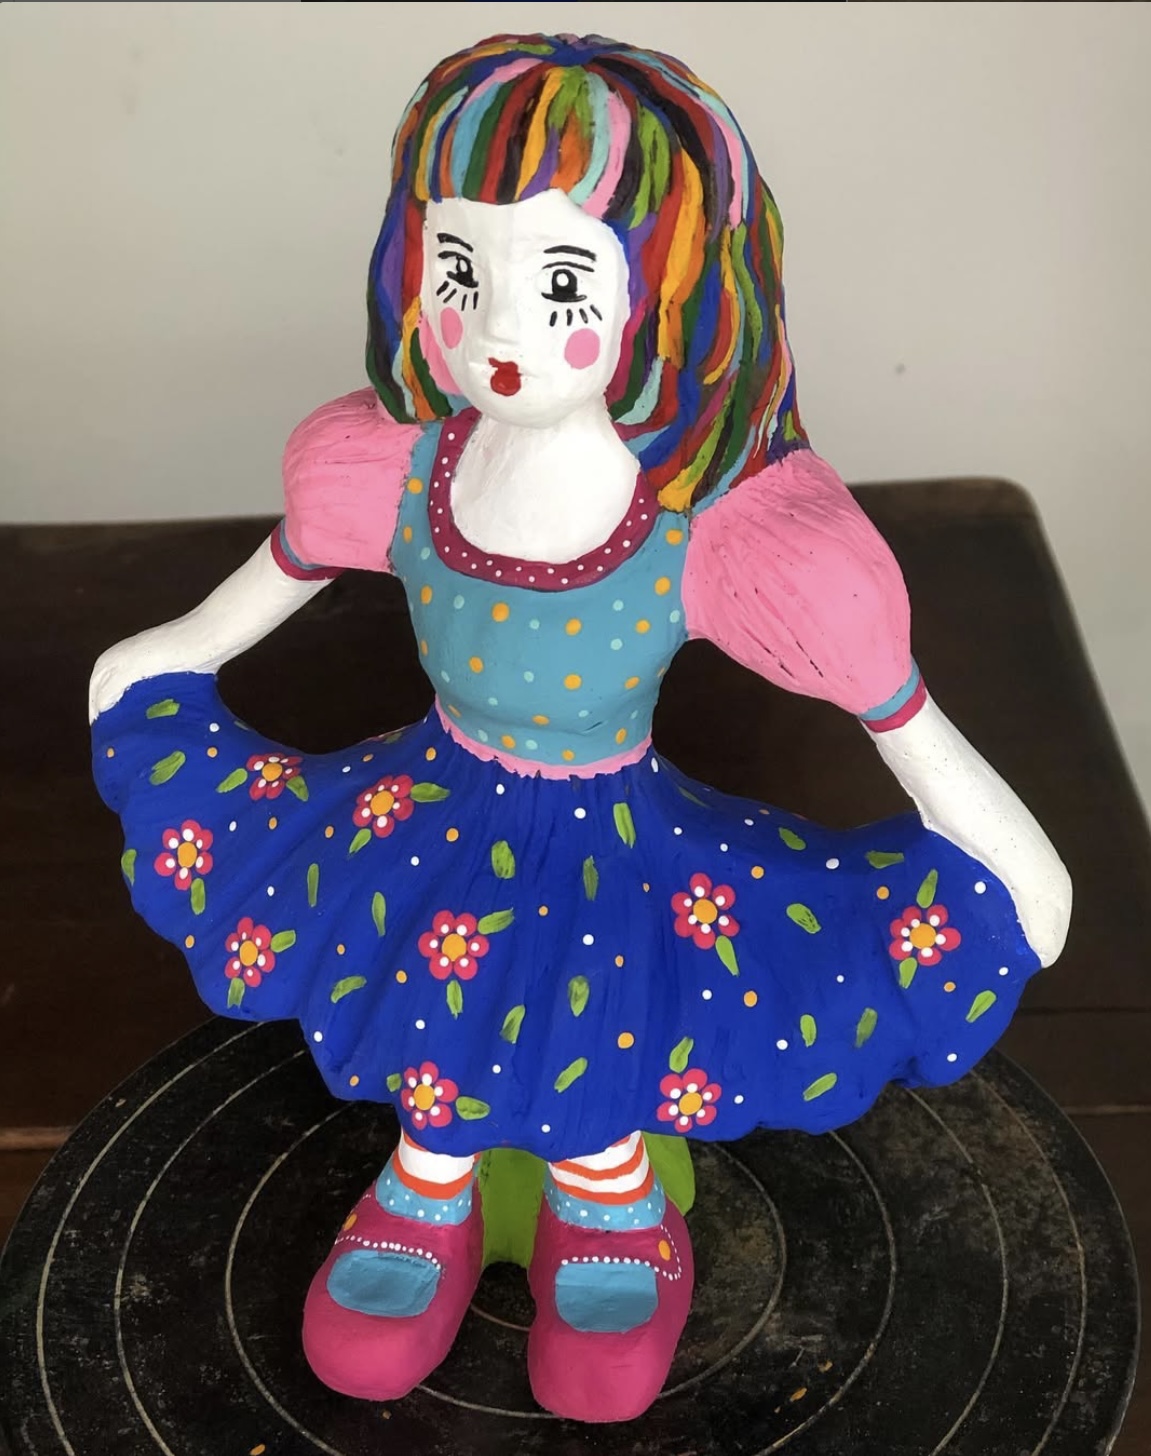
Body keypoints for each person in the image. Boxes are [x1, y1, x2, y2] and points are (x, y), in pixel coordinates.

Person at [89, 33, 1071, 1424]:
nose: (497, 327)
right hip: (428, 807)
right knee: (429, 990)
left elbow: (897, 716)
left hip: (612, 835)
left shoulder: (704, 534)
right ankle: (430, 1171)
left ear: (668, 296)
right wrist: (158, 665)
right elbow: (234, 613)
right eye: (460, 268)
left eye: (560, 284)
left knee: (595, 1008)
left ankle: (605, 1190)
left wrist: (1012, 864)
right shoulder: (392, 468)